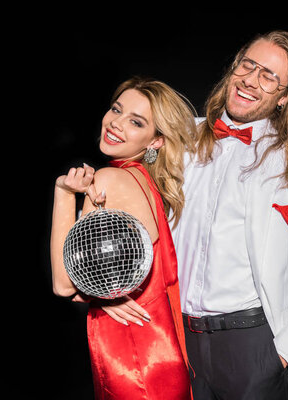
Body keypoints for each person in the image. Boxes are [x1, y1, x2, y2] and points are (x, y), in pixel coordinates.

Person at [101, 31, 288, 400]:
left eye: (269, 76)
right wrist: (109, 288)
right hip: (175, 340)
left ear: (285, 97)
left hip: (251, 349)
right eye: (248, 65)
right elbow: (131, 191)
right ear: (234, 67)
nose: (251, 80)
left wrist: (281, 355)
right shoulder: (182, 137)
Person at [49, 77, 197, 400]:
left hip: (132, 364)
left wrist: (63, 192)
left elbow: (63, 283)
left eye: (136, 122)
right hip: (162, 358)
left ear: (156, 141)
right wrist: (100, 293)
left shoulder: (110, 180)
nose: (115, 123)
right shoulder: (146, 183)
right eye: (116, 109)